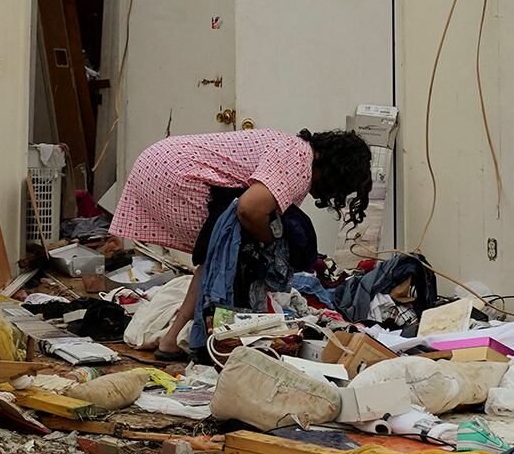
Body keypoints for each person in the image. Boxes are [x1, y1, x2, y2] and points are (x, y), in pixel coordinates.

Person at [109, 127, 372, 355]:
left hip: (158, 164)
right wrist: (270, 243)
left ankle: (171, 340)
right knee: (235, 256)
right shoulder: (298, 161)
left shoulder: (291, 148)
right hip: (176, 175)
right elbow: (250, 209)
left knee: (221, 256)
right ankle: (218, 339)